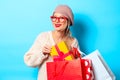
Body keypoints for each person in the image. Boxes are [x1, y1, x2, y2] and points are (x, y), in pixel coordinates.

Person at [24, 5, 85, 80]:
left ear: (68, 21)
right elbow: (29, 61)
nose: (57, 21)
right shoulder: (44, 37)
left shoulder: (73, 42)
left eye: (61, 18)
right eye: (54, 17)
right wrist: (42, 53)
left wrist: (73, 60)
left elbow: (77, 68)